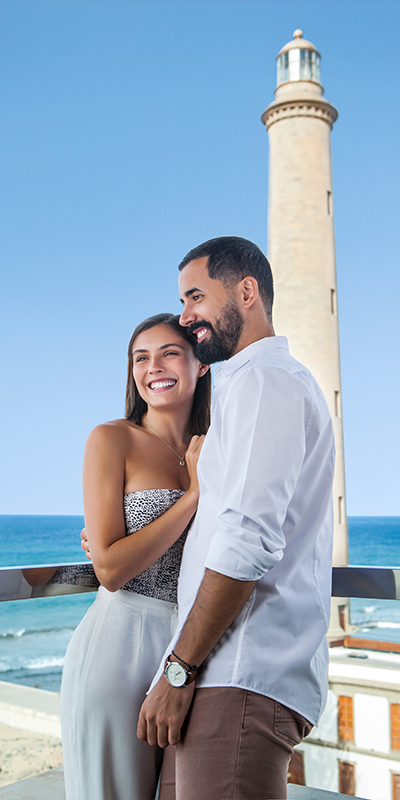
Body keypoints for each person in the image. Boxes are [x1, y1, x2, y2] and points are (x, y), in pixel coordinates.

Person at [138, 237, 335, 800]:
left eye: (196, 295)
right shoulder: (246, 386)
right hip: (217, 675)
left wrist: (178, 668)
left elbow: (247, 541)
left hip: (239, 678)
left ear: (246, 291)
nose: (185, 316)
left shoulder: (267, 381)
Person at [60, 312, 211, 800]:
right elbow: (109, 568)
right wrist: (192, 497)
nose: (154, 367)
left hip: (195, 645)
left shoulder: (221, 443)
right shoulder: (112, 439)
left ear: (200, 364)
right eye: (140, 358)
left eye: (169, 352)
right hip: (120, 645)